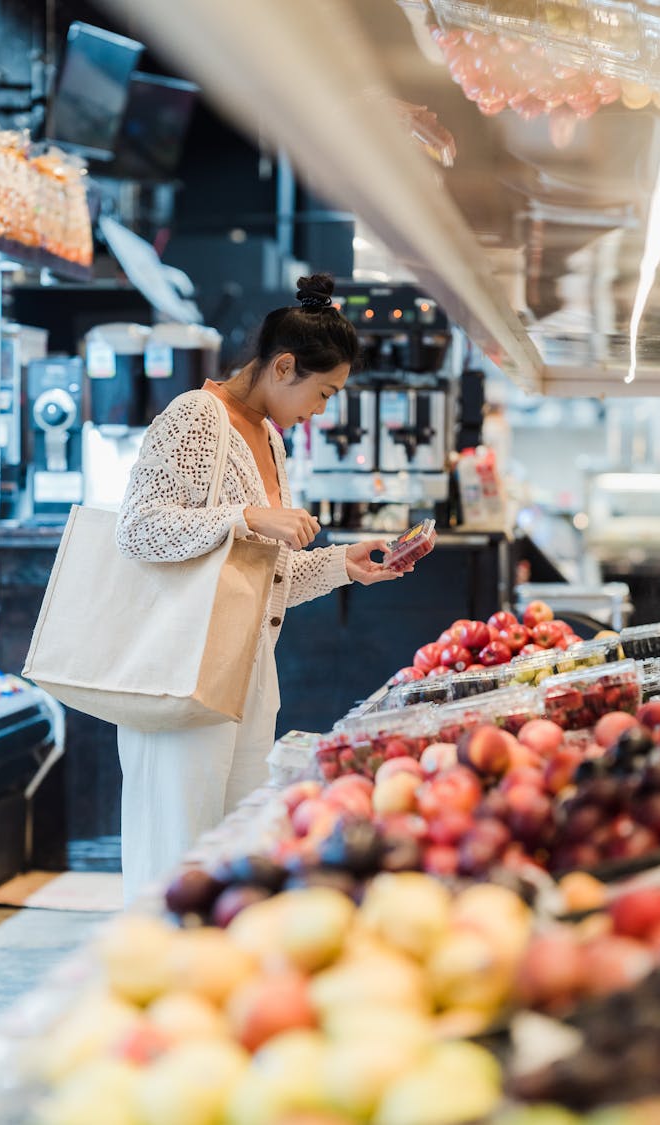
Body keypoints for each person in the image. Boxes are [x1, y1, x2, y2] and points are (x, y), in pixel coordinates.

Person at [115, 272, 415, 904]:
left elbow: (260, 577)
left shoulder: (272, 442)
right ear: (284, 367)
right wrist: (248, 517)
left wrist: (345, 565)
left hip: (248, 676)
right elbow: (139, 532)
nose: (323, 410)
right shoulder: (196, 417)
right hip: (183, 675)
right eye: (325, 392)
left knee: (235, 855)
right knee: (178, 855)